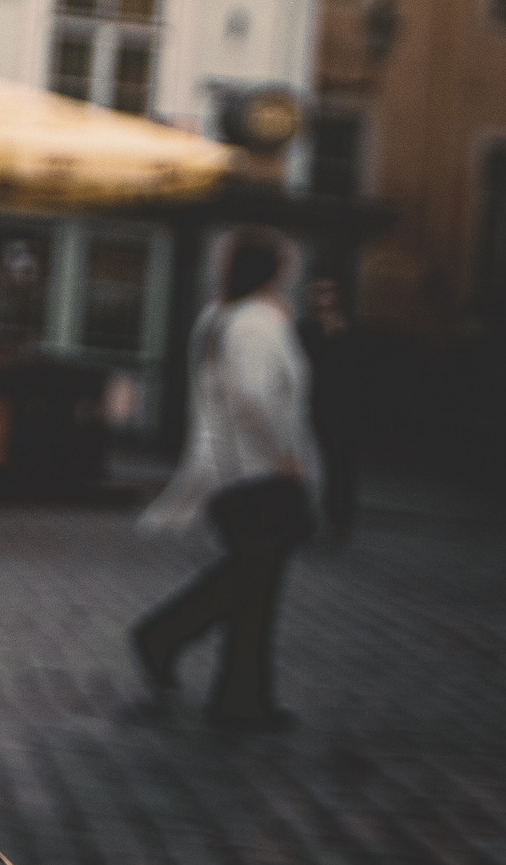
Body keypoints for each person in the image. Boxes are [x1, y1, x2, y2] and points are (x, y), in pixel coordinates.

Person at [132, 226, 320, 730]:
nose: (294, 273)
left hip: (233, 470)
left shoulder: (223, 317)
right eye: (288, 264)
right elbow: (253, 397)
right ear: (273, 270)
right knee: (252, 582)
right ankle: (165, 640)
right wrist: (286, 457)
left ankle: (240, 696)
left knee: (252, 584)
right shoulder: (256, 322)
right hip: (257, 474)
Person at [296, 276, 363, 540]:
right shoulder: (303, 331)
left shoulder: (351, 332)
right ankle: (308, 518)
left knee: (341, 463)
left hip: (343, 409)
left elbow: (360, 373)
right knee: (310, 463)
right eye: (314, 293)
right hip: (311, 406)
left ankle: (340, 517)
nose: (319, 299)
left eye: (325, 292)